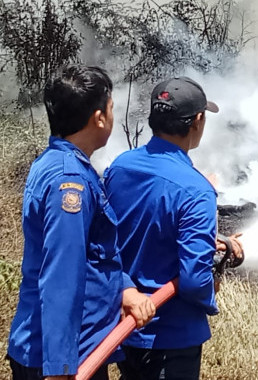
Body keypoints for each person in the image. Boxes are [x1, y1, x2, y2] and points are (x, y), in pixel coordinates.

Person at [7, 64, 155, 380]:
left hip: (76, 350)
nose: (113, 117)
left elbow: (93, 255)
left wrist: (125, 290)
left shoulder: (60, 163)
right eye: (112, 108)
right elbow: (63, 273)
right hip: (64, 359)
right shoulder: (69, 181)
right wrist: (60, 367)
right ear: (99, 117)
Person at [104, 76, 243, 380]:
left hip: (125, 327)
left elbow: (116, 237)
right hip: (170, 338)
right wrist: (212, 285)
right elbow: (193, 281)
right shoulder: (196, 190)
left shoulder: (120, 167)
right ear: (197, 121)